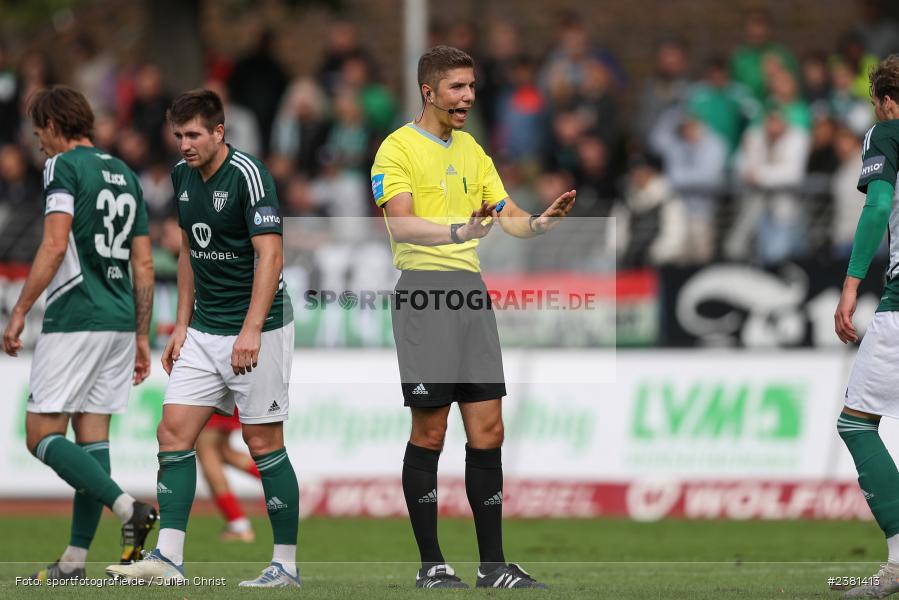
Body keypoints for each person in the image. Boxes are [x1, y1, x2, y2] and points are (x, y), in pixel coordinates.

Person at [370, 45, 575, 589]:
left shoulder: (472, 150)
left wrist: (540, 224)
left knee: (489, 429)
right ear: (429, 91)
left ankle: (492, 566)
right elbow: (404, 225)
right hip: (424, 295)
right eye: (458, 87)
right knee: (431, 430)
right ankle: (432, 563)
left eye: (472, 87)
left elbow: (506, 216)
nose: (469, 97)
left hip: (469, 295)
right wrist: (460, 231)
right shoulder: (395, 150)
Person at [105, 89, 298, 587]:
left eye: (194, 135)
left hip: (261, 326)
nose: (185, 145)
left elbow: (270, 257)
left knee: (262, 441)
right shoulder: (181, 176)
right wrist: (181, 325)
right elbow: (190, 250)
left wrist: (252, 329)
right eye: (178, 136)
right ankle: (169, 560)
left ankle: (285, 565)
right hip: (205, 329)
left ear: (219, 132)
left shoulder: (250, 176)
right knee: (172, 434)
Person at [1, 85, 157, 579]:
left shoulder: (62, 167)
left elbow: (53, 242)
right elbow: (145, 262)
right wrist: (139, 334)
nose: (36, 141)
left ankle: (129, 507)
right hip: (116, 318)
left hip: (76, 316)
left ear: (52, 125)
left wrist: (21, 308)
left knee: (39, 435)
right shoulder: (127, 175)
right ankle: (75, 560)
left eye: (37, 131)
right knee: (92, 441)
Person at [834, 54, 899, 599]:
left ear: (884, 100)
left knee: (856, 424)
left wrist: (853, 283)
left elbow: (878, 207)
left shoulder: (886, 132)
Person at [197, 410, 262, 542]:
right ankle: (285, 487)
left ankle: (238, 525)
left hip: (211, 394)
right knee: (223, 450)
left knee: (206, 450)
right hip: (229, 393)